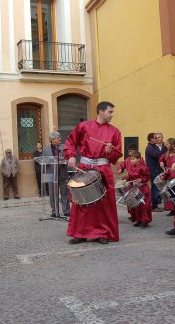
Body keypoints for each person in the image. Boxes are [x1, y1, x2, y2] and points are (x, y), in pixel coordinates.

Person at [64, 101, 122, 245]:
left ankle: (103, 233)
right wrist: (71, 155)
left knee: (104, 203)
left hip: (104, 169)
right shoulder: (84, 126)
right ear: (101, 111)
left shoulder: (115, 131)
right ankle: (80, 233)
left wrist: (110, 151)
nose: (112, 115)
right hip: (85, 167)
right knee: (81, 201)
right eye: (110, 112)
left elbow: (116, 154)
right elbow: (71, 141)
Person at [41, 131, 70, 217]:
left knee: (65, 193)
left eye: (59, 137)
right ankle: (54, 211)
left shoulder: (64, 147)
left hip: (63, 173)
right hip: (50, 175)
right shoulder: (46, 149)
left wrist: (65, 160)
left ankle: (66, 210)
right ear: (52, 140)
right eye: (58, 138)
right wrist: (48, 161)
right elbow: (43, 160)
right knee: (52, 193)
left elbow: (68, 157)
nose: (60, 139)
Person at [121, 150, 152, 228]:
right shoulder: (130, 167)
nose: (131, 160)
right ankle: (138, 219)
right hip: (135, 188)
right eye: (131, 159)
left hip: (143, 188)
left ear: (139, 159)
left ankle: (145, 221)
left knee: (144, 205)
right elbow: (130, 177)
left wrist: (142, 179)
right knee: (136, 206)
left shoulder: (143, 167)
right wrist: (126, 181)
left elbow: (147, 176)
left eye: (133, 159)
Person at [159, 138, 175, 216]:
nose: (166, 145)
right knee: (170, 193)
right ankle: (172, 210)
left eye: (167, 144)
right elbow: (161, 157)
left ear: (172, 144)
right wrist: (161, 161)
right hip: (169, 174)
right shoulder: (167, 153)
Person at [145, 133, 167, 212]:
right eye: (155, 138)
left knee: (158, 187)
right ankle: (154, 206)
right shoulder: (150, 148)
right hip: (153, 170)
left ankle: (157, 203)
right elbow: (158, 155)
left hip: (157, 169)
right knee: (155, 188)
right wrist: (165, 147)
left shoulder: (154, 146)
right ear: (151, 139)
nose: (157, 139)